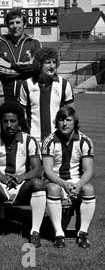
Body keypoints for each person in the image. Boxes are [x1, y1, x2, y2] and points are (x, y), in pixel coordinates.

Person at [0, 102, 46, 247]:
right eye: (5, 121)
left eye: (13, 121)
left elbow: (37, 169)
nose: (9, 125)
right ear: (1, 122)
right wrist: (2, 177)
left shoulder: (29, 140)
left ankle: (35, 232)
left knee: (38, 183)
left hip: (22, 186)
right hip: (1, 187)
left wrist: (21, 177)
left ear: (19, 122)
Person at [42, 106, 95, 248]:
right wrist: (64, 184)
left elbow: (88, 170)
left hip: (76, 181)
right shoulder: (49, 141)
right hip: (56, 180)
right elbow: (47, 171)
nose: (64, 124)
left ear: (75, 122)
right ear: (56, 122)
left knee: (89, 189)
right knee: (53, 188)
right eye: (61, 120)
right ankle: (59, 235)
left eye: (68, 120)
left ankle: (82, 233)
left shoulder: (85, 141)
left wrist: (79, 185)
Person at [20, 47, 74, 144]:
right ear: (39, 64)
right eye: (48, 62)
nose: (52, 66)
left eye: (54, 62)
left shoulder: (64, 85)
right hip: (33, 141)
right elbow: (22, 115)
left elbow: (71, 114)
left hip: (57, 139)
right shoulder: (27, 85)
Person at [0, 9, 41, 103]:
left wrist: (11, 65)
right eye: (11, 23)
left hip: (30, 93)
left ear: (25, 24)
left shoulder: (34, 44)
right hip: (6, 93)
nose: (15, 26)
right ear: (7, 26)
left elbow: (36, 66)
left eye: (18, 22)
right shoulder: (0, 44)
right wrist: (23, 72)